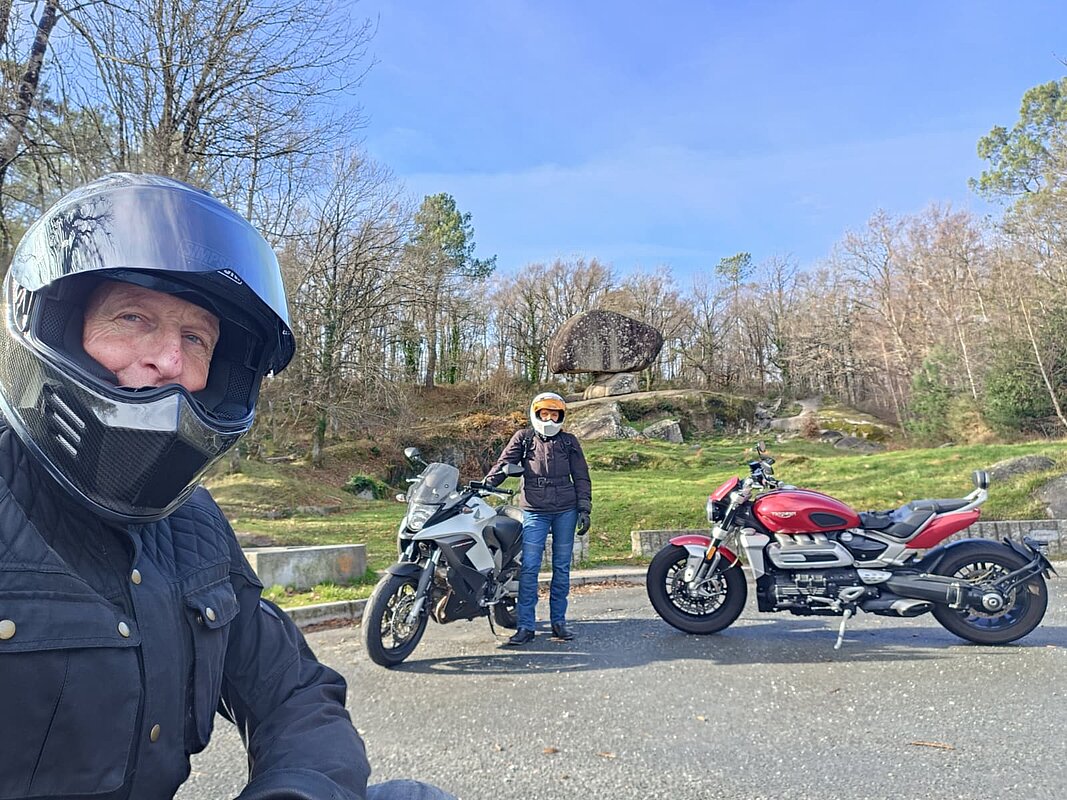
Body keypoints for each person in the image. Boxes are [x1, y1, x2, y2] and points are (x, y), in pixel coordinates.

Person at [0, 174, 455, 800]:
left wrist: (295, 791)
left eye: (196, 338)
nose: (172, 363)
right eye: (133, 317)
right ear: (54, 323)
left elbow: (294, 691)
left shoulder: (192, 521)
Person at [484, 391, 592, 645]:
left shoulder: (569, 442)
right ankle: (525, 626)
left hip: (566, 510)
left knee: (562, 567)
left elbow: (581, 475)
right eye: (545, 414)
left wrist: (584, 508)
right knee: (530, 568)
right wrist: (485, 485)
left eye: (554, 414)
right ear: (536, 414)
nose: (549, 419)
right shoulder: (524, 438)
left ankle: (559, 622)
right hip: (534, 510)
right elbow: (504, 464)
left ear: (561, 416)